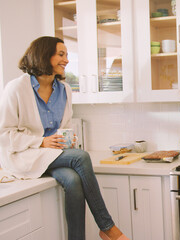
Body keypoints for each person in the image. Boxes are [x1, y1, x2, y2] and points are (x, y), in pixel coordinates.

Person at [0, 36, 129, 240]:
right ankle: (107, 227)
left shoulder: (65, 90)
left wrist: (67, 138)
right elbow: (4, 134)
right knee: (81, 157)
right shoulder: (16, 88)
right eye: (61, 54)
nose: (66, 60)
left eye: (67, 55)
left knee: (73, 181)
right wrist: (40, 141)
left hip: (51, 155)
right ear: (44, 55)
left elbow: (64, 126)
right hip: (25, 156)